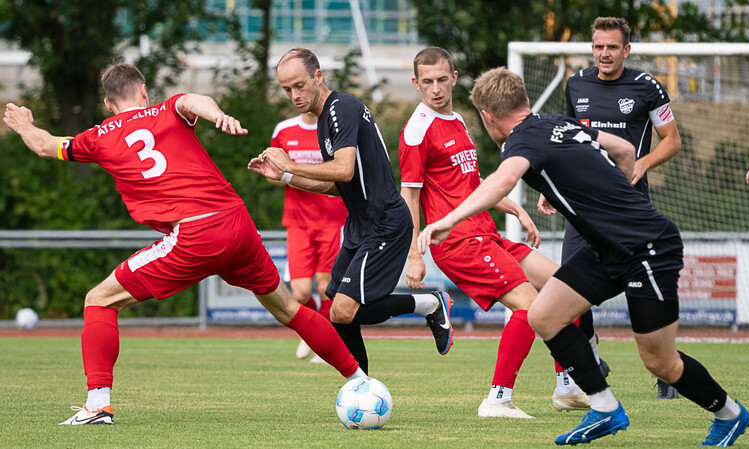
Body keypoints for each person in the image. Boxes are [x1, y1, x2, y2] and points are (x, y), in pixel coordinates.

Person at [3, 63, 366, 426]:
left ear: (108, 104)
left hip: (195, 234)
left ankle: (98, 404)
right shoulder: (167, 109)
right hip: (237, 222)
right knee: (288, 308)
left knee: (99, 300)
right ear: (144, 91)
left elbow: (46, 146)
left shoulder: (98, 136)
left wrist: (23, 125)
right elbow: (194, 100)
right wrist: (218, 115)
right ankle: (360, 380)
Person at [419, 67, 749, 446]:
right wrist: (610, 194)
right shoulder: (559, 123)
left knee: (660, 362)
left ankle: (730, 415)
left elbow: (502, 181)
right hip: (607, 249)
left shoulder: (519, 141)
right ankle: (605, 408)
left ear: (489, 116)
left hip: (647, 247)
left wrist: (448, 220)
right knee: (544, 315)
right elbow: (625, 150)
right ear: (524, 101)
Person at [248, 48, 453, 375]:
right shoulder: (324, 121)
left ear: (318, 76)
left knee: (343, 309)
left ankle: (429, 304)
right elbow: (338, 186)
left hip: (386, 222)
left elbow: (342, 169)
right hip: (361, 225)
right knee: (337, 310)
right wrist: (286, 176)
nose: (294, 95)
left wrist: (290, 162)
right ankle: (362, 385)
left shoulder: (341, 108)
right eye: (287, 90)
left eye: (299, 85)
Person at [398, 46, 558, 418]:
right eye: (427, 82)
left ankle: (568, 385)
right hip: (457, 243)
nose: (436, 88)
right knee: (531, 307)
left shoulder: (456, 121)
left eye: (442, 79)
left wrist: (515, 207)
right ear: (415, 84)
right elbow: (409, 195)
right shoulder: (416, 131)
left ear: (454, 78)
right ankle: (498, 399)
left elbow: (472, 184)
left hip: (485, 233)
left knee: (563, 286)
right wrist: (414, 256)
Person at [540, 16, 683, 406]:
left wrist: (644, 162)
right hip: (582, 208)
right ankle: (593, 358)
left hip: (628, 210)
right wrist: (552, 188)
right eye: (599, 46)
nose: (605, 53)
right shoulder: (577, 84)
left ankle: (667, 368)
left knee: (647, 292)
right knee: (565, 283)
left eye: (612, 47)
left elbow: (672, 141)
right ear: (593, 48)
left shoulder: (647, 88)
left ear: (626, 50)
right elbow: (565, 140)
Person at [267, 112, 348, 363]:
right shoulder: (284, 130)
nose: (299, 94)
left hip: (332, 219)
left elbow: (345, 170)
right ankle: (313, 329)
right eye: (294, 89)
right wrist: (273, 173)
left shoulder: (335, 128)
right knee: (300, 293)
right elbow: (275, 176)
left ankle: (326, 343)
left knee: (326, 287)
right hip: (298, 221)